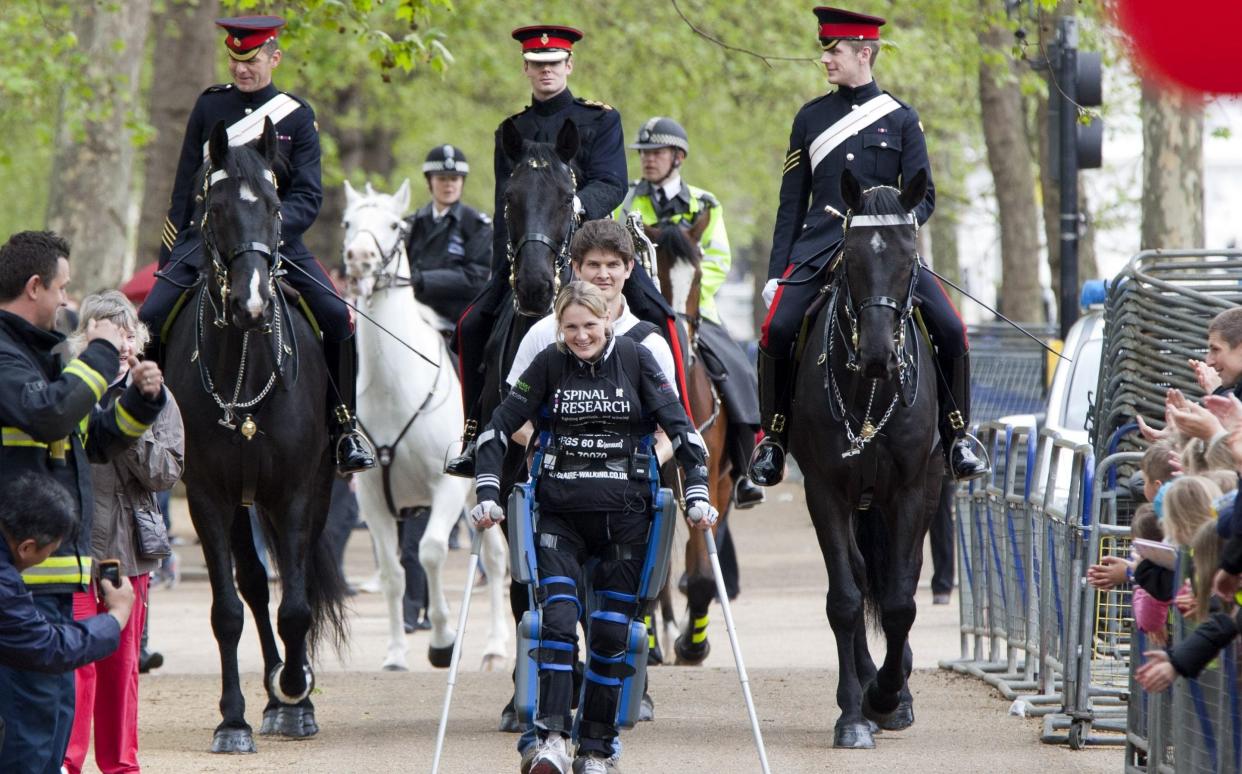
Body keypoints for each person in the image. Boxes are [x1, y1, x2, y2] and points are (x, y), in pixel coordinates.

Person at [471, 281, 717, 774]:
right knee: (557, 624)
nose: (582, 336)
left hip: (626, 520)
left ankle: (598, 749)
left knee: (610, 634)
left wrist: (696, 491)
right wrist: (487, 492)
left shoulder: (638, 359)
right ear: (558, 329)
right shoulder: (547, 365)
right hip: (559, 516)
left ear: (607, 320)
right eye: (571, 327)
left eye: (590, 325)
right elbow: (497, 427)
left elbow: (683, 429)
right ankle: (552, 739)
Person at [749, 6, 987, 487]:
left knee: (952, 329)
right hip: (819, 247)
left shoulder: (901, 118)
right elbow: (791, 203)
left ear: (864, 52)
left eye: (834, 51)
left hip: (888, 253)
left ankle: (958, 434)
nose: (826, 60)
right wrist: (778, 272)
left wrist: (898, 229)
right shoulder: (810, 118)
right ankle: (773, 439)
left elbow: (927, 197)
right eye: (825, 51)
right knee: (778, 331)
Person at [137, 14, 374, 476]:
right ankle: (151, 421)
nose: (242, 69)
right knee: (149, 318)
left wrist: (265, 236)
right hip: (209, 236)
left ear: (274, 58)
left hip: (274, 239)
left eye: (252, 60)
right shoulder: (209, 108)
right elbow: (185, 186)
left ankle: (344, 426)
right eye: (235, 60)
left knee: (337, 317)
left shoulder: (296, 115)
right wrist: (171, 255)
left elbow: (307, 193)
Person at [0, 231, 165, 774]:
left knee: (48, 729)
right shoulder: (4, 357)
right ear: (34, 287)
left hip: (51, 578)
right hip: (22, 579)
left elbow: (85, 438)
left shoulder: (34, 353)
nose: (68, 303)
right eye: (63, 290)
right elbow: (48, 414)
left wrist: (141, 403)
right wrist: (97, 350)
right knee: (29, 736)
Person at [446, 23, 636, 478]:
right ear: (526, 69)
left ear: (568, 65)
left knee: (658, 316)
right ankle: (475, 432)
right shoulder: (510, 130)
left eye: (553, 64)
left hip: (593, 252)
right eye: (536, 64)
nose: (545, 71)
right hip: (524, 258)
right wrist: (499, 274)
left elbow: (613, 183)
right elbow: (502, 208)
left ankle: (679, 427)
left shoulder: (600, 119)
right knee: (472, 326)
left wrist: (574, 204)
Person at [63, 292, 185, 774]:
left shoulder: (160, 397)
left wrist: (131, 421)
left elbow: (165, 474)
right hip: (69, 550)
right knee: (75, 669)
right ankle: (66, 764)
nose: (122, 341)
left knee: (120, 670)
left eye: (128, 332)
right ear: (87, 338)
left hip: (127, 552)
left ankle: (119, 767)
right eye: (109, 332)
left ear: (140, 339)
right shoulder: (68, 387)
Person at [615, 116, 765, 508]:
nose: (648, 160)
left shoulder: (705, 203)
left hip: (694, 308)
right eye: (644, 153)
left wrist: (688, 303)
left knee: (738, 369)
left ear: (678, 157)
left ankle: (748, 466)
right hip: (642, 309)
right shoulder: (628, 203)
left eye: (656, 152)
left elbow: (717, 258)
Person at [1, 473, 138, 759]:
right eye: (50, 552)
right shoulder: (4, 582)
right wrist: (116, 616)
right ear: (26, 547)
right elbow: (48, 647)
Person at [403, 144, 493, 333]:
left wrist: (423, 279)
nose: (448, 184)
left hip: (456, 323)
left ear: (462, 182)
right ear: (429, 181)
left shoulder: (476, 224)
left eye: (454, 178)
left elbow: (476, 278)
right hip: (411, 314)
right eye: (441, 178)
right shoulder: (410, 224)